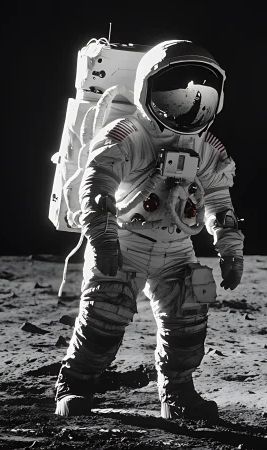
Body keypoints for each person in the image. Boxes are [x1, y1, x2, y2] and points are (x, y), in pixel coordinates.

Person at [54, 39, 244, 421]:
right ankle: (74, 385)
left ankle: (177, 394)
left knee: (188, 325)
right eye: (174, 97)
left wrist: (230, 250)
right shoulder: (128, 136)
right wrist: (104, 239)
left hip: (177, 247)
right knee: (105, 320)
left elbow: (219, 205)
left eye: (198, 98)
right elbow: (97, 189)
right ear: (146, 91)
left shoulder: (206, 149)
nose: (187, 106)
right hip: (125, 240)